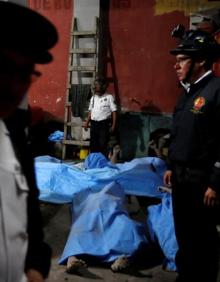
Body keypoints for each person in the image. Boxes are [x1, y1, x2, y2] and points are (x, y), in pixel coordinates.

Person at [0, 2, 58, 282]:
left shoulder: (14, 138)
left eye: (24, 74)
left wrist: (35, 269)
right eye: (3, 67)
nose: (15, 86)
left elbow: (31, 216)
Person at [164, 28, 220, 282]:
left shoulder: (216, 91)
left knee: (203, 238)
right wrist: (169, 166)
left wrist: (215, 183)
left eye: (182, 59)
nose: (176, 65)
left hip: (203, 182)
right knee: (184, 233)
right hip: (180, 177)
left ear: (201, 60)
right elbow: (178, 134)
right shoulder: (187, 92)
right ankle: (186, 276)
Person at [84, 77, 117, 156]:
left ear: (103, 86)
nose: (95, 87)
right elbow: (90, 111)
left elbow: (114, 112)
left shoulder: (109, 97)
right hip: (94, 124)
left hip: (104, 124)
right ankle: (94, 161)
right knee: (93, 143)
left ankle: (102, 162)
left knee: (102, 143)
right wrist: (87, 122)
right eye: (94, 85)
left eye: (97, 85)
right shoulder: (93, 98)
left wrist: (113, 125)